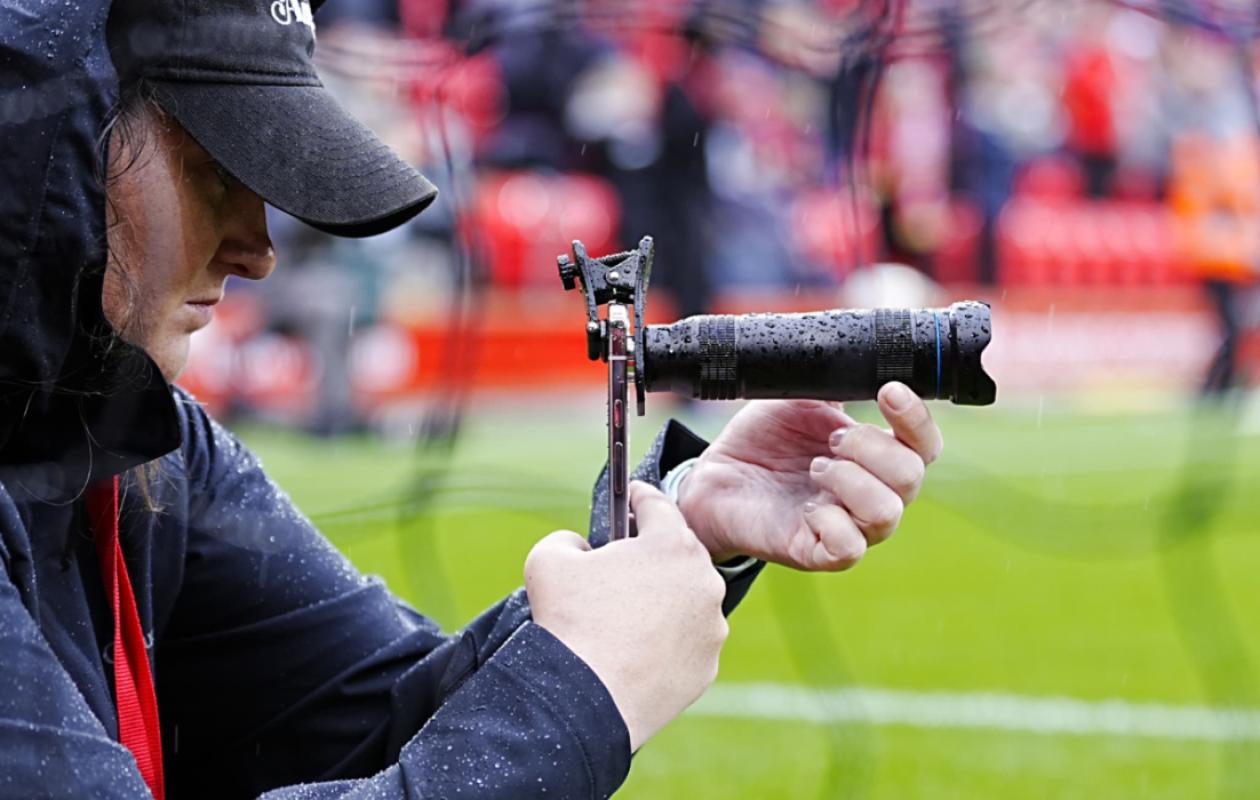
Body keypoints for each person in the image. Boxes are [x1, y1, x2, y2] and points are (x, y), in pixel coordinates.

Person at [0, 0, 943, 798]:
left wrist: (680, 531)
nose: (259, 245)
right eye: (215, 172)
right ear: (46, 154)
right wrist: (572, 694)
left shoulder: (140, 445)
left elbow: (376, 718)